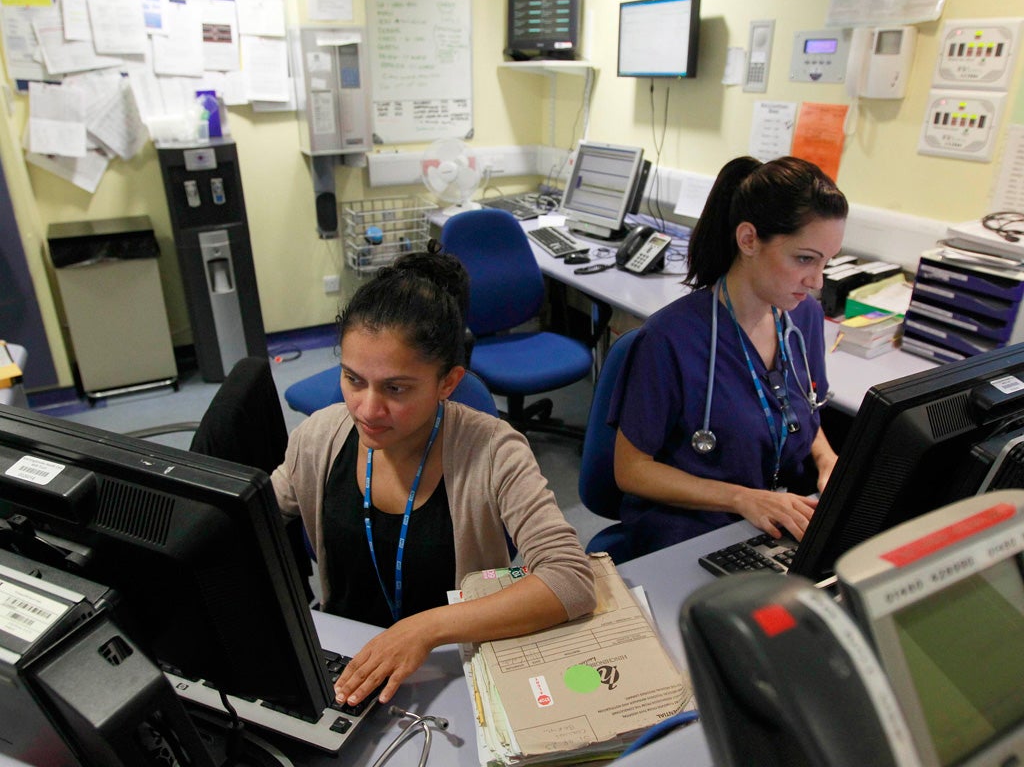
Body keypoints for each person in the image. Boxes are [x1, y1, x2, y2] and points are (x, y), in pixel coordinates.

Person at [271, 244, 596, 709]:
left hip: (454, 671)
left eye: (395, 388)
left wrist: (426, 628)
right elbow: (250, 512)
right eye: (353, 379)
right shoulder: (317, 438)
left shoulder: (493, 450)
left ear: (448, 381)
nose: (367, 409)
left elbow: (570, 579)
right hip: (347, 666)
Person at [608, 155, 847, 558]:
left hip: (775, 520)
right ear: (749, 239)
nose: (817, 281)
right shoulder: (670, 339)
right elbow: (630, 471)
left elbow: (803, 408)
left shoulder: (801, 315)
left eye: (827, 261)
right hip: (693, 529)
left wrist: (827, 459)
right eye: (804, 259)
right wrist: (742, 498)